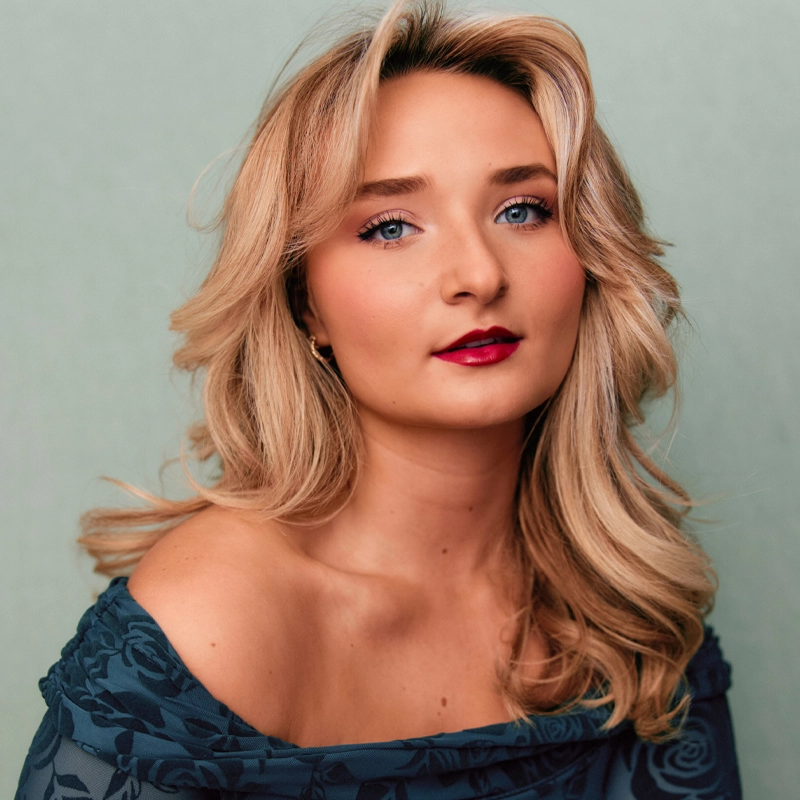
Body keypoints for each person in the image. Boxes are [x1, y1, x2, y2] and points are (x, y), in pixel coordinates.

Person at [15, 1, 741, 797]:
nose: (478, 274)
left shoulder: (629, 600)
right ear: (306, 303)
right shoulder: (210, 626)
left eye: (523, 209)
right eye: (391, 227)